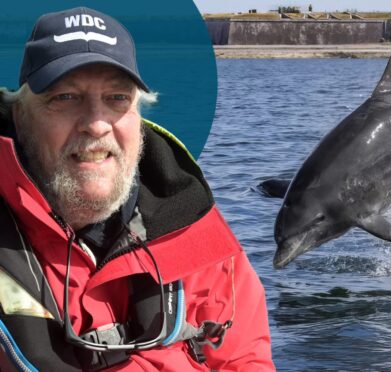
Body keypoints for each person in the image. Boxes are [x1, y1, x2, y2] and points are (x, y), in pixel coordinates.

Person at [0, 7, 275, 371]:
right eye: (65, 97)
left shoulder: (199, 236)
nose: (96, 124)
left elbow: (245, 360)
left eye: (117, 98)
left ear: (139, 116)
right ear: (21, 117)